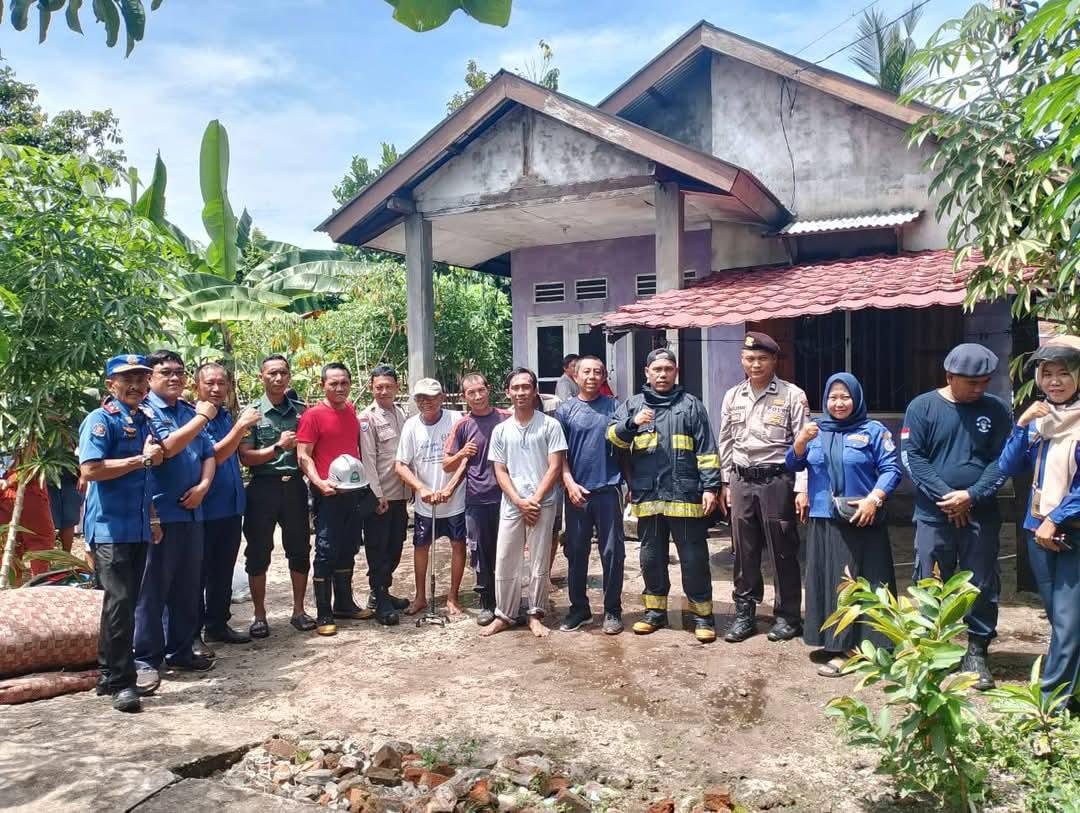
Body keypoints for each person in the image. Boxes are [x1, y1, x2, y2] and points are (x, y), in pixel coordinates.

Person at [901, 342, 1011, 690]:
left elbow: (1002, 461)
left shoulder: (995, 410)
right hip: (934, 515)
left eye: (984, 382)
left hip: (981, 514)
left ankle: (977, 652)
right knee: (931, 581)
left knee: (980, 583)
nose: (979, 389)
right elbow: (913, 458)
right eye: (971, 383)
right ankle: (932, 652)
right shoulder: (922, 407)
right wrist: (947, 498)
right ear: (950, 376)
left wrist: (972, 496)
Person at [785, 373, 902, 676]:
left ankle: (855, 650)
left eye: (845, 396)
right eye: (833, 397)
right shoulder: (817, 431)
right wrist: (800, 442)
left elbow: (891, 470)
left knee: (857, 583)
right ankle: (835, 641)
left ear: (857, 398)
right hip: (823, 518)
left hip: (860, 518)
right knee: (828, 582)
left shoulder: (873, 431)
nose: (838, 403)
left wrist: (874, 499)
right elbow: (793, 464)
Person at [609, 348, 721, 643]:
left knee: (693, 557)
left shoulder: (691, 405)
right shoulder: (633, 405)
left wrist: (711, 487)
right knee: (651, 556)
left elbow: (707, 450)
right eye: (656, 369)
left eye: (667, 369)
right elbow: (613, 439)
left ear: (676, 372)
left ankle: (703, 615)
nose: (662, 374)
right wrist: (632, 424)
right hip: (648, 494)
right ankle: (655, 613)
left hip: (685, 494)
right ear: (646, 372)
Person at [997, 336, 1080, 706]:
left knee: (1068, 622)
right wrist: (1020, 425)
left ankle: (1049, 706)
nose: (1055, 382)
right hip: (1039, 531)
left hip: (1071, 533)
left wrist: (1058, 517)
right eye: (1048, 374)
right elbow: (1008, 467)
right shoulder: (1041, 420)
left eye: (1064, 373)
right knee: (1060, 618)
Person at [78, 354, 163, 712]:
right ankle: (121, 683)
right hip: (109, 527)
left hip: (137, 526)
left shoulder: (143, 418)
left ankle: (106, 674)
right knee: (121, 604)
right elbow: (91, 469)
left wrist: (154, 518)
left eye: (141, 379)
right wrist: (141, 460)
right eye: (126, 379)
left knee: (122, 603)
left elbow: (147, 477)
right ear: (110, 384)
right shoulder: (100, 421)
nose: (135, 385)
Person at [717, 332, 810, 644]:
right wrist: (725, 482)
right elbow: (726, 440)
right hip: (741, 479)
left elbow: (804, 445)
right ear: (742, 361)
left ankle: (788, 616)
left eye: (762, 359)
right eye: (749, 359)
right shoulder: (733, 396)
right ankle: (745, 613)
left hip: (776, 480)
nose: (755, 364)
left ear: (773, 360)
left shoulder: (792, 395)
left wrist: (802, 488)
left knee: (783, 548)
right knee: (743, 550)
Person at [135, 350, 217, 692]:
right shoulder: (145, 412)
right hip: (160, 515)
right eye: (165, 372)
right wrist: (201, 419)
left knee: (187, 586)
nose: (174, 378)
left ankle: (181, 650)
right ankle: (144, 660)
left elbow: (209, 453)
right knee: (153, 590)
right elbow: (165, 449)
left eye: (179, 372)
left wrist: (203, 485)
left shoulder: (187, 410)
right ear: (151, 378)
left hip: (193, 511)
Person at [482, 368, 568, 638]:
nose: (521, 392)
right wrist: (519, 501)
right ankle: (504, 614)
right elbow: (500, 470)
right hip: (512, 503)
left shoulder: (550, 425)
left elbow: (555, 467)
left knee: (539, 560)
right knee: (506, 558)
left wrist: (534, 500)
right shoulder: (501, 430)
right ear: (508, 392)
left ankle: (535, 613)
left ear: (535, 391)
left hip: (542, 503)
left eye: (526, 387)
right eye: (515, 387)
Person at [296, 362, 376, 636]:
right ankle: (324, 612)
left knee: (349, 546)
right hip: (327, 494)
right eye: (334, 383)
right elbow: (303, 454)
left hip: (353, 493)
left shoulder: (352, 412)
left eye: (344, 383)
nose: (340, 388)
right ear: (323, 386)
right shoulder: (313, 416)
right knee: (326, 550)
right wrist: (318, 483)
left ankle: (344, 603)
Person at [238, 354, 314, 637]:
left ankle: (299, 610)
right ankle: (259, 615)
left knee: (299, 549)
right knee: (258, 552)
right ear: (262, 377)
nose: (278, 378)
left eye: (283, 373)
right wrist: (278, 448)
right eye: (272, 373)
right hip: (262, 488)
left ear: (289, 376)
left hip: (294, 487)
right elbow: (245, 458)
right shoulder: (252, 413)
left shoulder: (301, 411)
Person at [193, 363, 262, 648]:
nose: (216, 388)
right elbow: (216, 454)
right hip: (205, 508)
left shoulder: (223, 415)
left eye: (222, 383)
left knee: (223, 569)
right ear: (197, 385)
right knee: (198, 572)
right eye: (210, 383)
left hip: (231, 507)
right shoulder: (195, 418)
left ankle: (218, 623)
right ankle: (192, 632)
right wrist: (241, 426)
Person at [556, 355, 625, 635]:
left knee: (612, 553)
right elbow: (558, 454)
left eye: (598, 372)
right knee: (576, 552)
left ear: (604, 376)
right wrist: (569, 482)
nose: (592, 376)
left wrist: (628, 485)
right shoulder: (565, 411)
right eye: (586, 372)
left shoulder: (615, 407)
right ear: (575, 375)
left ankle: (612, 609)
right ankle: (579, 609)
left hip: (608, 491)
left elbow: (625, 447)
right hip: (577, 494)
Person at [394, 378, 468, 615]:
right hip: (426, 504)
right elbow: (401, 465)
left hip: (455, 499)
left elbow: (467, 459)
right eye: (420, 398)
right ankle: (420, 597)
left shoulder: (457, 420)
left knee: (458, 544)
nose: (426, 402)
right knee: (421, 547)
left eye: (431, 397)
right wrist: (421, 488)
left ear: (442, 398)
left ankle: (453, 596)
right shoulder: (411, 426)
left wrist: (451, 489)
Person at [443, 373, 509, 626]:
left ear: (488, 390)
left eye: (481, 390)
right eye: (471, 393)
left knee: (507, 551)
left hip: (506, 497)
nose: (478, 396)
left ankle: (508, 601)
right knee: (480, 552)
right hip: (477, 499)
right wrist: (462, 452)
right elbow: (447, 464)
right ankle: (486, 601)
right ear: (464, 397)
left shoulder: (506, 418)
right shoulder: (462, 425)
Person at [358, 364, 412, 625]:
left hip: (400, 493)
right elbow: (368, 460)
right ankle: (379, 600)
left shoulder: (401, 414)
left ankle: (382, 592)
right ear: (371, 388)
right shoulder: (367, 418)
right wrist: (377, 495)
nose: (383, 391)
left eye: (388, 386)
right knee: (378, 548)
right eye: (378, 387)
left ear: (397, 387)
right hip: (381, 496)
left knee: (396, 544)